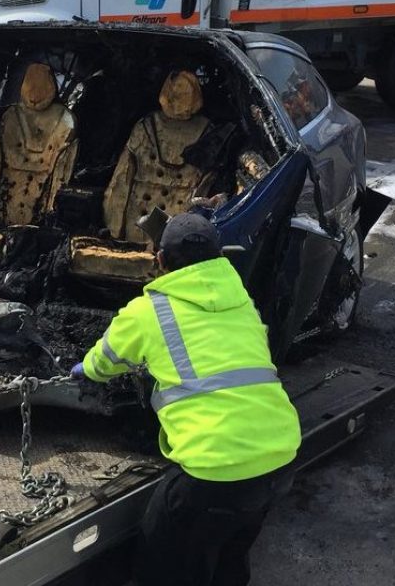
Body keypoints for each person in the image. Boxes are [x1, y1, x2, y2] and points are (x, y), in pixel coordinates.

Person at [71, 213, 301, 586]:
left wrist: (87, 368)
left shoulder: (148, 310)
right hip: (279, 457)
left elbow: (107, 360)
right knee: (229, 556)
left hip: (215, 469)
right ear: (218, 256)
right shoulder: (242, 301)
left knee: (161, 564)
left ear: (159, 260)